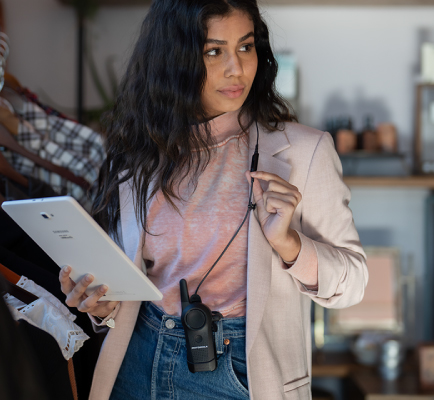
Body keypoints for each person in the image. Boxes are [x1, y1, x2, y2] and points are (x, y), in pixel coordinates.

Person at [59, 0, 368, 398]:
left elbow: (354, 283)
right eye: (213, 51)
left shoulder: (303, 151)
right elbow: (137, 284)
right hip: (137, 363)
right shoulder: (141, 151)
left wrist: (291, 246)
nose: (236, 68)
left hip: (238, 373)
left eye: (245, 46)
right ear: (175, 58)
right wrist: (102, 308)